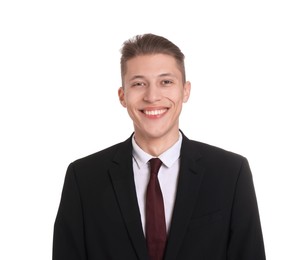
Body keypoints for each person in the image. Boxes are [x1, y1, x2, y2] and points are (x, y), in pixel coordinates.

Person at [53, 33, 266, 260]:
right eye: (138, 84)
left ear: (185, 90)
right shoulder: (84, 178)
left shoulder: (230, 173)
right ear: (122, 96)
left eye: (166, 82)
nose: (152, 96)